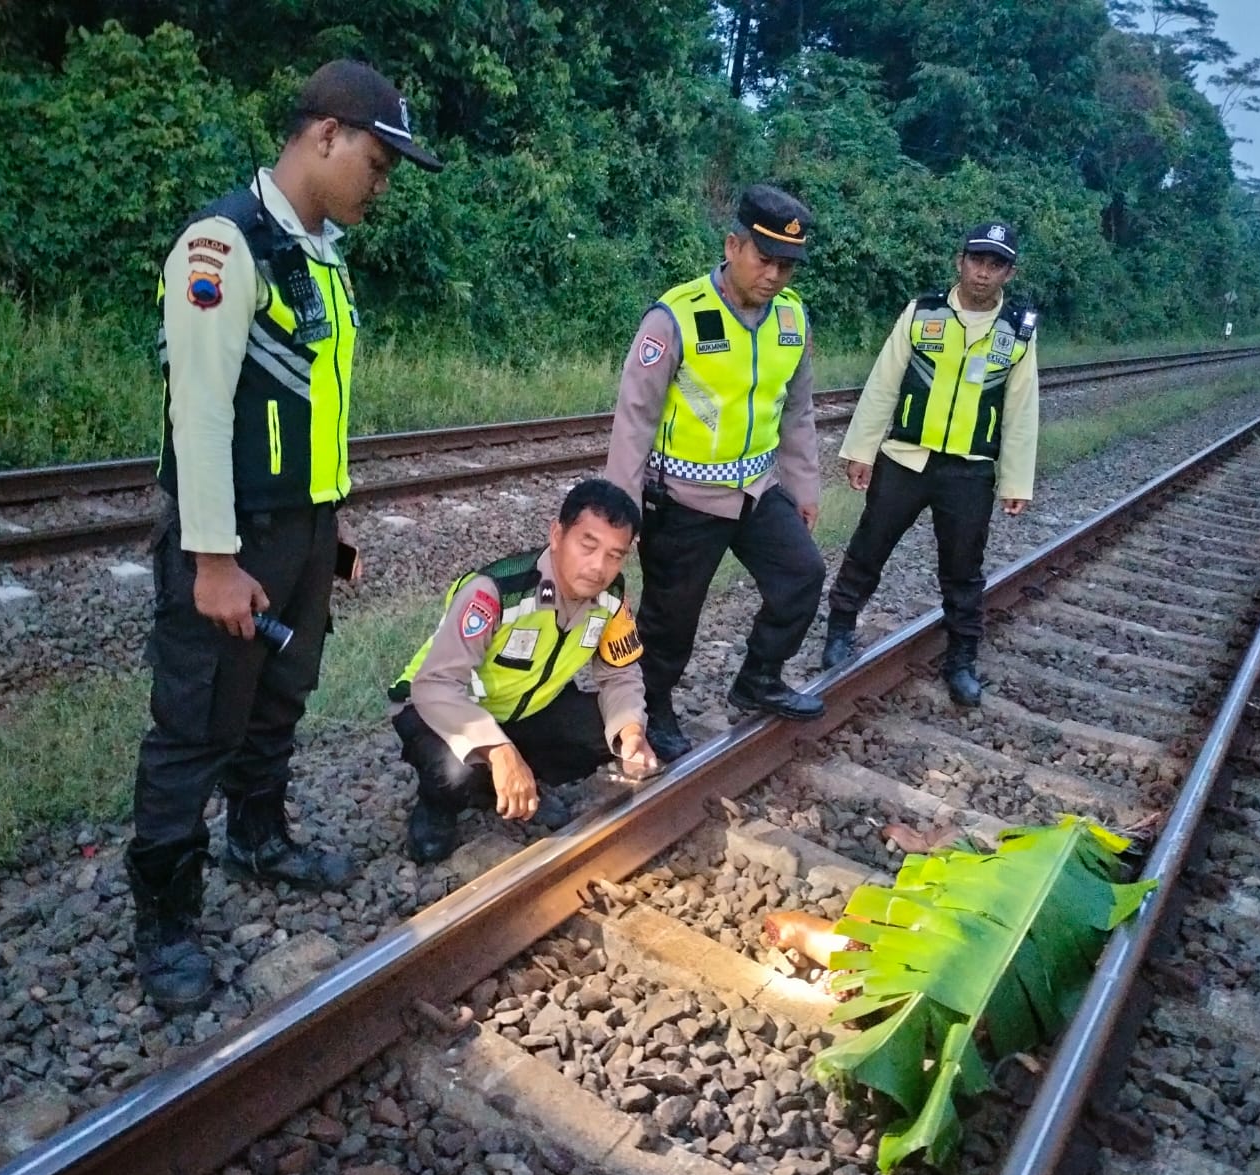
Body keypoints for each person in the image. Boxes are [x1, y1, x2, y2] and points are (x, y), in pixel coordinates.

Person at [127, 60, 444, 1012]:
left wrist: (328, 528)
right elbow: (201, 416)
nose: (380, 185)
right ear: (325, 135)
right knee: (196, 724)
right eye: (378, 164)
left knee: (277, 699)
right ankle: (165, 923)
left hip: (299, 530)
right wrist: (213, 564)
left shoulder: (319, 254)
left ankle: (258, 838)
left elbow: (312, 406)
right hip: (231, 538)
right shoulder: (225, 247)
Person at [603, 185, 826, 764]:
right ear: (733, 245)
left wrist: (802, 488)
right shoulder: (675, 317)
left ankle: (759, 678)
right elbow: (634, 420)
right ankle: (654, 708)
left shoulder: (792, 320)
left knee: (802, 575)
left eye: (787, 265)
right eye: (764, 258)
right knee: (670, 620)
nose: (775, 275)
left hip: (757, 491)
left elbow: (797, 410)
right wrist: (620, 517)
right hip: (683, 499)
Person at [821, 221, 1040, 706]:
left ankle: (961, 661)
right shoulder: (922, 313)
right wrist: (861, 449)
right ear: (960, 261)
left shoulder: (1018, 330)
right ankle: (839, 631)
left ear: (1008, 273)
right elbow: (884, 381)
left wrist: (1016, 479)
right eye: (977, 260)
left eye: (995, 265)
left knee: (963, 570)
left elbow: (1022, 409)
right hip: (904, 459)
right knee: (869, 547)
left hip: (969, 470)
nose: (983, 273)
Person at [390, 479, 657, 864]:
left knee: (605, 733)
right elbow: (435, 686)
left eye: (615, 555)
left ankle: (512, 778)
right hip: (436, 705)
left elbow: (620, 674)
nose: (599, 566)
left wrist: (630, 731)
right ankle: (438, 807)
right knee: (453, 771)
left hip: (522, 708)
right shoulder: (498, 591)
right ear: (556, 534)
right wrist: (499, 751)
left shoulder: (612, 598)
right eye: (587, 545)